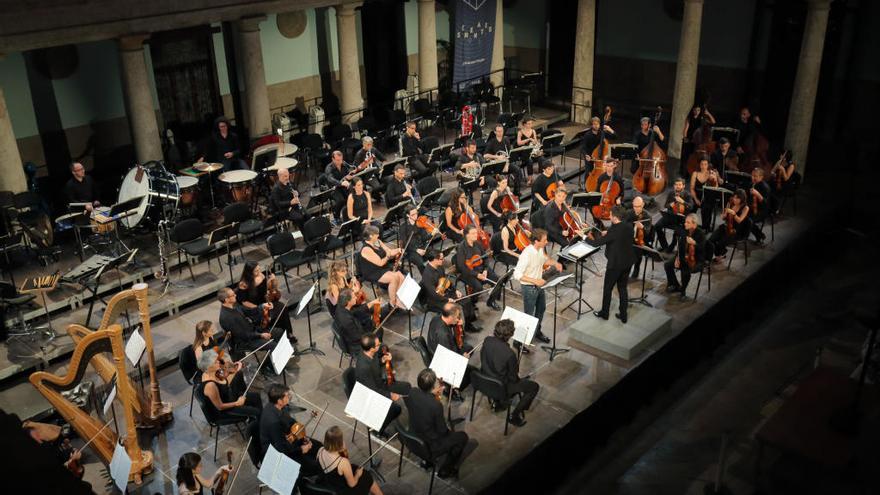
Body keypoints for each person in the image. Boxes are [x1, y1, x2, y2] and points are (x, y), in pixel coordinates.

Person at [404, 369, 470, 479]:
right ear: (433, 386)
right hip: (429, 446)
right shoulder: (435, 406)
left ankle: (428, 462)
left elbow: (423, 403)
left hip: (412, 438)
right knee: (462, 437)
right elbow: (442, 431)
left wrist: (432, 394)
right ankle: (445, 470)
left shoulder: (412, 392)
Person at [480, 319, 540, 427]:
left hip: (484, 380)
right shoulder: (509, 354)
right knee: (534, 387)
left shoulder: (487, 340)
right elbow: (513, 378)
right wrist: (518, 378)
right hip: (500, 386)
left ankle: (497, 403)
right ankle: (514, 415)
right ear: (510, 335)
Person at [259, 383, 323, 479]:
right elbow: (281, 448)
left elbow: (290, 421)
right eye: (287, 395)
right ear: (279, 400)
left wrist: (302, 434)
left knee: (318, 446)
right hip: (276, 452)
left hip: (287, 438)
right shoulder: (274, 422)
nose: (289, 396)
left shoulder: (278, 406)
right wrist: (301, 449)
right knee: (314, 466)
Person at [586, 205, 636, 323]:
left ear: (614, 217)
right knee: (622, 288)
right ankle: (623, 315)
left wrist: (584, 237)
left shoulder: (613, 231)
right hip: (628, 262)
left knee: (608, 289)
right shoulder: (628, 226)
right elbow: (617, 234)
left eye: (610, 215)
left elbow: (596, 243)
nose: (609, 216)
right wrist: (607, 233)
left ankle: (605, 313)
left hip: (615, 265)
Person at [354, 334, 411, 436]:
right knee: (396, 409)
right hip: (371, 393)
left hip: (380, 384)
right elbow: (372, 391)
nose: (380, 345)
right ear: (372, 349)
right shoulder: (363, 368)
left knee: (407, 387)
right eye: (377, 345)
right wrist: (390, 395)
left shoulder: (371, 353)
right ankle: (377, 429)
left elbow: (375, 365)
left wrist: (383, 360)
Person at [513, 227, 559, 344]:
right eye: (544, 240)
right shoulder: (526, 254)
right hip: (529, 288)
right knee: (528, 315)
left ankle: (537, 332)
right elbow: (517, 274)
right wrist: (535, 281)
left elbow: (543, 261)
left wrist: (555, 263)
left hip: (538, 286)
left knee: (541, 309)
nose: (546, 242)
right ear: (536, 241)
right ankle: (518, 342)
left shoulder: (539, 250)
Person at [420, 249, 479, 332]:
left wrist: (455, 290)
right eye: (441, 259)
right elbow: (433, 294)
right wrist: (447, 299)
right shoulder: (427, 275)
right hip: (435, 300)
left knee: (466, 300)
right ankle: (457, 333)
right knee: (454, 309)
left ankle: (468, 325)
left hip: (445, 293)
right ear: (434, 260)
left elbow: (446, 281)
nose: (443, 260)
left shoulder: (440, 267)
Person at [197, 348, 262, 421]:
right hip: (225, 410)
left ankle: (258, 421)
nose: (218, 361)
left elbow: (223, 378)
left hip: (228, 396)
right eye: (215, 362)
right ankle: (258, 425)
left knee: (256, 396)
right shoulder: (210, 385)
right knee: (256, 412)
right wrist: (237, 403)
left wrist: (233, 368)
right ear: (209, 367)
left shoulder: (214, 372)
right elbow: (220, 406)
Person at [317, 426, 384, 495]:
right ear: (339, 442)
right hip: (345, 490)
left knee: (355, 468)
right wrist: (358, 474)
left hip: (332, 482)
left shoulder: (320, 450)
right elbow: (352, 484)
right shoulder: (342, 462)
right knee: (367, 477)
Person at [236, 261, 293, 341]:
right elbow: (244, 301)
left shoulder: (261, 275)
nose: (259, 272)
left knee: (282, 308)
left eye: (259, 269)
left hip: (265, 302)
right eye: (256, 271)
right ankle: (278, 336)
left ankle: (288, 333)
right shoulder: (244, 284)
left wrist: (271, 280)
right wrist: (259, 307)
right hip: (255, 307)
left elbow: (265, 289)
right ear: (249, 272)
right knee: (272, 314)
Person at [217, 288, 276, 355]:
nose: (235, 295)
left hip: (251, 332)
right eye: (233, 295)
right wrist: (260, 335)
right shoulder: (226, 317)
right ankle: (270, 364)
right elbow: (243, 335)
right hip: (245, 342)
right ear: (226, 299)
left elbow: (249, 311)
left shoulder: (234, 304)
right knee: (272, 345)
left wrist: (262, 306)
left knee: (278, 332)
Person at [357, 225, 406, 308]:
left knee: (400, 275)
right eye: (377, 234)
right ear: (371, 236)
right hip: (372, 271)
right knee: (393, 278)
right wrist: (387, 256)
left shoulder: (378, 241)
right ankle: (392, 302)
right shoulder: (366, 249)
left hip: (382, 267)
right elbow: (380, 263)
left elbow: (389, 251)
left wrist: (398, 250)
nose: (378, 235)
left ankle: (399, 298)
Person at [455, 224, 500, 310]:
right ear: (467, 235)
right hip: (468, 272)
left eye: (476, 233)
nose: (476, 235)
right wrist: (477, 275)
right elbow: (462, 267)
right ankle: (472, 302)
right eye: (473, 233)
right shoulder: (461, 248)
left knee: (496, 280)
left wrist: (486, 270)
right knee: (478, 287)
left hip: (481, 269)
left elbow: (485, 257)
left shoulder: (477, 243)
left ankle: (491, 301)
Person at [664, 213, 706, 301]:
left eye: (688, 222)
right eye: (685, 222)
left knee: (685, 270)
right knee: (667, 265)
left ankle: (683, 291)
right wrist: (677, 258)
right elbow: (680, 247)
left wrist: (694, 243)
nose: (685, 224)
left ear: (694, 224)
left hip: (697, 259)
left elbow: (702, 249)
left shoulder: (700, 234)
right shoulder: (685, 232)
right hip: (684, 256)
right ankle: (675, 285)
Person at [709, 189, 750, 262]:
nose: (735, 199)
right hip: (725, 226)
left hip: (736, 231)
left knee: (720, 242)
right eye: (734, 197)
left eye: (737, 198)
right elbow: (724, 216)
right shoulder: (730, 203)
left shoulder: (745, 208)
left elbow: (740, 220)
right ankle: (721, 252)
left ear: (742, 199)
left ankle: (720, 254)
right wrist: (723, 215)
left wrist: (734, 214)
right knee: (711, 239)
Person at [656, 177, 695, 252]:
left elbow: (691, 207)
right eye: (676, 185)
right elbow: (666, 205)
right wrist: (670, 205)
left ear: (683, 186)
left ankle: (672, 246)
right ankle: (665, 246)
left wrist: (683, 201)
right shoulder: (671, 193)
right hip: (670, 216)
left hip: (681, 220)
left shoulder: (687, 195)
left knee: (677, 232)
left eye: (679, 185)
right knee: (657, 226)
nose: (677, 186)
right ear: (674, 186)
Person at [483, 123, 524, 192]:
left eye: (501, 131)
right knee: (499, 175)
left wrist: (507, 164)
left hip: (505, 163)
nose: (500, 133)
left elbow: (508, 154)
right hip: (496, 165)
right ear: (495, 132)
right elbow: (485, 155)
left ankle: (516, 192)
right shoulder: (491, 142)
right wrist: (496, 157)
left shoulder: (506, 140)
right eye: (498, 131)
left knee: (518, 170)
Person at [626, 196, 654, 278]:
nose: (636, 209)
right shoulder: (629, 213)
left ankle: (636, 268)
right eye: (634, 206)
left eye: (638, 206)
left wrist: (642, 227)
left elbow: (648, 233)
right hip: (630, 237)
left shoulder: (647, 216)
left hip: (642, 240)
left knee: (636, 249)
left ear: (643, 205)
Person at [689, 157, 721, 230]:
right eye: (702, 164)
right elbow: (692, 188)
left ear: (708, 165)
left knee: (706, 207)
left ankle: (705, 227)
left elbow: (716, 188)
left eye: (705, 164)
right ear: (699, 165)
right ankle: (689, 224)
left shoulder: (711, 173)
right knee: (690, 205)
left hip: (708, 197)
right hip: (696, 195)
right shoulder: (695, 173)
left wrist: (714, 179)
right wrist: (696, 199)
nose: (703, 166)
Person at [399, 205, 433, 271]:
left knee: (434, 256)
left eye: (416, 213)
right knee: (421, 263)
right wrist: (417, 250)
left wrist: (432, 234)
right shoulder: (403, 227)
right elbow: (405, 243)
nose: (416, 216)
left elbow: (424, 238)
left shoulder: (419, 223)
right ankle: (426, 279)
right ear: (408, 215)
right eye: (413, 215)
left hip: (421, 246)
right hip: (410, 251)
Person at [323, 151, 354, 223]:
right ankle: (336, 216)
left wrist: (349, 176)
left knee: (352, 195)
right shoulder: (329, 168)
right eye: (338, 160)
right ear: (333, 159)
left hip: (343, 186)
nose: (340, 162)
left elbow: (349, 171)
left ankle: (350, 213)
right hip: (333, 188)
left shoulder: (343, 163)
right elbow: (331, 179)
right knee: (341, 200)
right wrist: (341, 183)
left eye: (341, 159)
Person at [748, 168, 771, 243]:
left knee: (748, 221)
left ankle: (760, 236)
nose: (753, 178)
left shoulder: (765, 187)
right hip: (752, 208)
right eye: (752, 175)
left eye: (755, 176)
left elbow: (765, 204)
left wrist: (757, 194)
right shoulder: (751, 184)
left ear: (761, 177)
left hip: (762, 211)